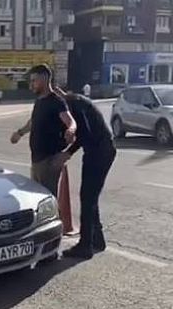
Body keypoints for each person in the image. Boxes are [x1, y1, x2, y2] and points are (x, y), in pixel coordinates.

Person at [55, 87, 116, 260]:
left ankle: (85, 245)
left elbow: (84, 133)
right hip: (101, 150)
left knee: (87, 197)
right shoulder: (76, 101)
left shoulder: (74, 105)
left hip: (99, 151)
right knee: (91, 197)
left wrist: (67, 153)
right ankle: (97, 239)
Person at [10, 64, 77, 197]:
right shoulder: (39, 101)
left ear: (45, 79)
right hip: (37, 160)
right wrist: (20, 133)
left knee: (48, 199)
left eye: (34, 81)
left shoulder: (56, 101)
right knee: (37, 198)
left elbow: (70, 120)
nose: (31, 85)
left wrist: (71, 130)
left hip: (49, 161)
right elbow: (33, 122)